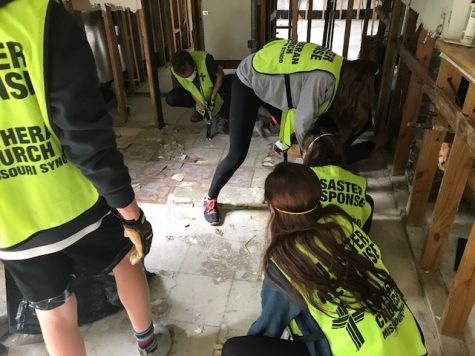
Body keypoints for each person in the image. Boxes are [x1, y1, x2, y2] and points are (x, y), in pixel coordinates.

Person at [0, 1, 170, 355]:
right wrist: (131, 214)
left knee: (55, 311)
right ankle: (148, 343)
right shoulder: (39, 17)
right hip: (77, 203)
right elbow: (85, 137)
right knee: (127, 258)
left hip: (10, 223)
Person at [222, 163, 427, 356]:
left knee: (236, 350)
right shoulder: (341, 221)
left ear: (272, 209)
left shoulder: (286, 262)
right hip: (410, 342)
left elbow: (267, 330)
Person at [203, 39, 379, 225]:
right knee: (237, 154)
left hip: (273, 78)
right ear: (354, 84)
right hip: (248, 81)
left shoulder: (336, 66)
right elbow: (302, 121)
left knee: (292, 133)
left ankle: (270, 124)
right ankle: (210, 198)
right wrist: (307, 160)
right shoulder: (324, 78)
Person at [303, 129, 373, 234]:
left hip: (315, 242)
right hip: (350, 242)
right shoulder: (358, 180)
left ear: (309, 152)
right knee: (368, 201)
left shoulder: (303, 176)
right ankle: (363, 237)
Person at [166, 49, 232, 124]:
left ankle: (222, 102)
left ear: (194, 64)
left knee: (236, 81)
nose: (190, 78)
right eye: (187, 77)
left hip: (213, 83)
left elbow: (220, 74)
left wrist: (213, 97)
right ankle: (198, 110)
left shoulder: (205, 59)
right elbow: (191, 89)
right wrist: (200, 104)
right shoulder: (175, 71)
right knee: (171, 98)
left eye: (191, 74)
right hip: (197, 94)